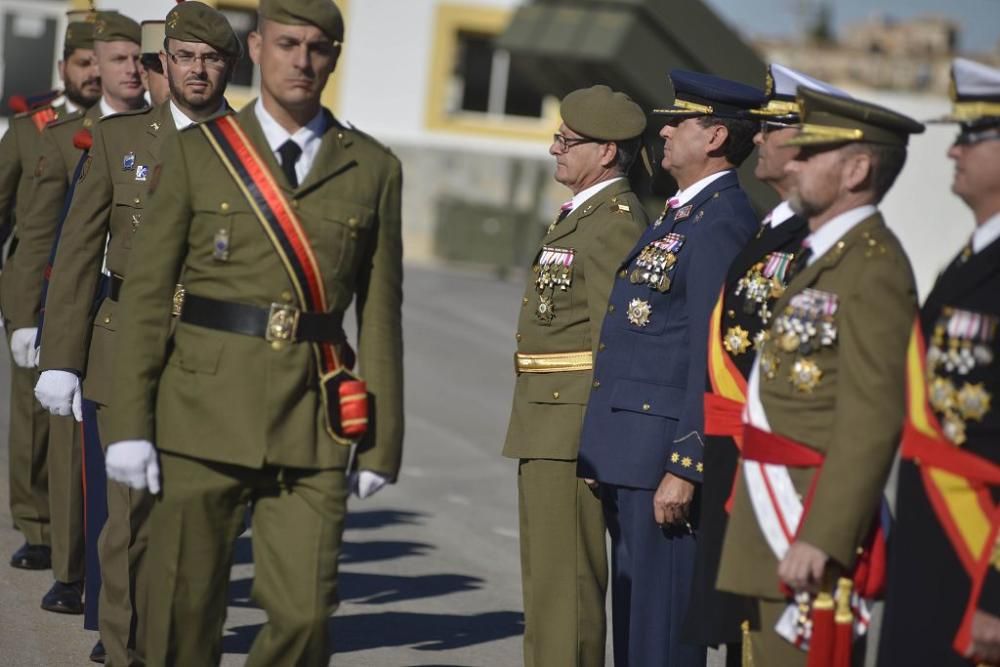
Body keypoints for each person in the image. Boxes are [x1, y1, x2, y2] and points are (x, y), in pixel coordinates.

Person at [102, 0, 404, 663]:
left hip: (313, 419)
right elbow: (149, 295)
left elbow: (380, 313)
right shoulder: (198, 154)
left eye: (319, 47)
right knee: (181, 614)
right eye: (288, 43)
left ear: (334, 57)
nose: (303, 60)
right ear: (260, 48)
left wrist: (381, 442)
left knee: (305, 618)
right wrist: (129, 420)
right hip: (200, 415)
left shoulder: (373, 169)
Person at [35, 5, 239, 664]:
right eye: (184, 56)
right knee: (126, 523)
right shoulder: (120, 140)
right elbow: (76, 255)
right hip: (123, 347)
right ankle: (125, 649)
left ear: (227, 67)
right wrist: (60, 358)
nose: (198, 70)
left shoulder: (254, 148)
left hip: (214, 358)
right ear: (165, 64)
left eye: (211, 59)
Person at [716, 87, 924, 665]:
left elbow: (874, 416)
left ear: (857, 168)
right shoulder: (825, 254)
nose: (794, 161)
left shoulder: (874, 266)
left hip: (805, 524)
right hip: (772, 512)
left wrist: (825, 535)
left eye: (811, 153)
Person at [577, 70, 763, 666]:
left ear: (713, 138)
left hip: (663, 462)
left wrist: (686, 464)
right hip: (632, 453)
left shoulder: (721, 223)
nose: (665, 131)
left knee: (660, 637)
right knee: (635, 631)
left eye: (678, 122)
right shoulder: (683, 214)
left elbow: (716, 359)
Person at [682, 64, 848, 663]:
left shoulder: (814, 241)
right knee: (739, 632)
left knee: (765, 635)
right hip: (741, 455)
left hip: (776, 466)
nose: (757, 137)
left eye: (774, 127)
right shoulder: (773, 229)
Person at [502, 84, 648, 667]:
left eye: (567, 140)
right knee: (547, 592)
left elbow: (617, 341)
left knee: (568, 596)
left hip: (572, 430)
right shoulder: (583, 215)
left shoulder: (612, 221)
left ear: (607, 151)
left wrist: (600, 443)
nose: (554, 149)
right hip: (547, 423)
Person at [879, 58, 1000, 667]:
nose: (953, 152)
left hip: (978, 552)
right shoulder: (970, 259)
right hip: (934, 546)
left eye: (971, 137)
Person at [0, 10, 100, 577]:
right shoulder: (30, 128)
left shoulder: (132, 126)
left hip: (86, 295)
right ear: (64, 66)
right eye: (81, 62)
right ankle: (37, 528)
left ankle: (76, 532)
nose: (90, 73)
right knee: (34, 420)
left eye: (99, 62)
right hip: (30, 296)